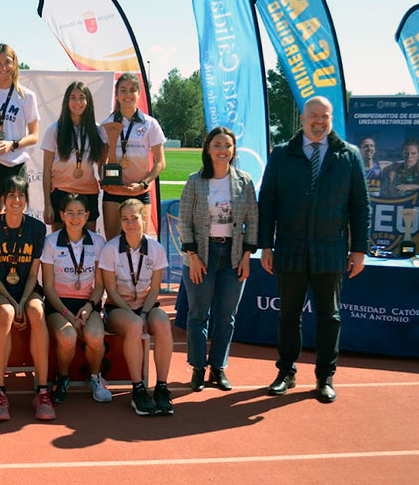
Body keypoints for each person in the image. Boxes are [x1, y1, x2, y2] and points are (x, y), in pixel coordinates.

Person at [259, 96, 369, 403]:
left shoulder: (349, 156)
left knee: (329, 317)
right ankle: (286, 372)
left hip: (330, 250)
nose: (319, 121)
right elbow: (267, 203)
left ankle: (325, 376)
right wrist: (265, 245)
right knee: (288, 315)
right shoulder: (282, 154)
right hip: (290, 248)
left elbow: (360, 206)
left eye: (325, 116)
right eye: (313, 116)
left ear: (331, 119)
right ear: (302, 118)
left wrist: (359, 249)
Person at [178, 127, 258, 392]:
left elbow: (253, 222)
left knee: (226, 316)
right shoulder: (195, 181)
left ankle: (218, 367)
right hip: (201, 255)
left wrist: (247, 256)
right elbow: (184, 221)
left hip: (233, 256)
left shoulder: (244, 181)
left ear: (233, 150)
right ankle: (198, 368)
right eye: (217, 145)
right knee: (198, 314)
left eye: (227, 146)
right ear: (208, 149)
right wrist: (193, 255)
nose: (222, 150)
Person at [0, 174, 52, 421]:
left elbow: (33, 275)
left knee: (37, 312)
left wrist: (23, 301)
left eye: (21, 195)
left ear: (26, 199)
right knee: (6, 313)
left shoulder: (37, 228)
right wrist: (12, 301)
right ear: (3, 199)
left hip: (27, 290)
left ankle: (42, 391)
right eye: (11, 195)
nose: (16, 200)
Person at [99, 198, 174, 416]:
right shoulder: (111, 249)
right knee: (133, 325)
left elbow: (155, 288)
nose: (130, 223)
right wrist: (134, 315)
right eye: (125, 219)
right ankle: (138, 389)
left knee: (162, 322)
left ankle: (161, 387)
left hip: (145, 306)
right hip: (118, 309)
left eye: (134, 218)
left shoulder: (156, 248)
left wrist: (144, 313)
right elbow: (111, 290)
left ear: (144, 219)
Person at [40, 194, 110, 404]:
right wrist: (69, 315)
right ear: (62, 215)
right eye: (70, 213)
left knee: (95, 336)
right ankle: (62, 377)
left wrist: (88, 308)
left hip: (87, 304)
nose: (75, 217)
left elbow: (100, 285)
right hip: (59, 305)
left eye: (80, 213)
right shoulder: (51, 242)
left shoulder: (97, 242)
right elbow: (48, 287)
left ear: (87, 216)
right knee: (68, 335)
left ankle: (95, 377)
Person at [0, 43, 40, 218]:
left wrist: (12, 144)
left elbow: (34, 136)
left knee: (16, 220)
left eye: (7, 62)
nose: (3, 67)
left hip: (16, 164)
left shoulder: (26, 96)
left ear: (15, 64)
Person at [100, 73, 166, 241]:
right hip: (114, 192)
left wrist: (143, 183)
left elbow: (160, 162)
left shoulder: (150, 124)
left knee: (141, 245)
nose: (127, 94)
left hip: (140, 191)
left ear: (139, 94)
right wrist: (108, 180)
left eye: (132, 90)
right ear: (117, 94)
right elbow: (101, 161)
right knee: (113, 244)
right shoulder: (106, 124)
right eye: (123, 90)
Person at [42, 81, 108, 233]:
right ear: (66, 101)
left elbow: (102, 165)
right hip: (60, 192)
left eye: (81, 97)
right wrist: (47, 204)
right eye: (73, 98)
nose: (77, 102)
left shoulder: (98, 130)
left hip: (88, 192)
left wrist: (107, 179)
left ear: (88, 101)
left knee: (89, 241)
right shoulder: (54, 130)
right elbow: (47, 169)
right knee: (59, 242)